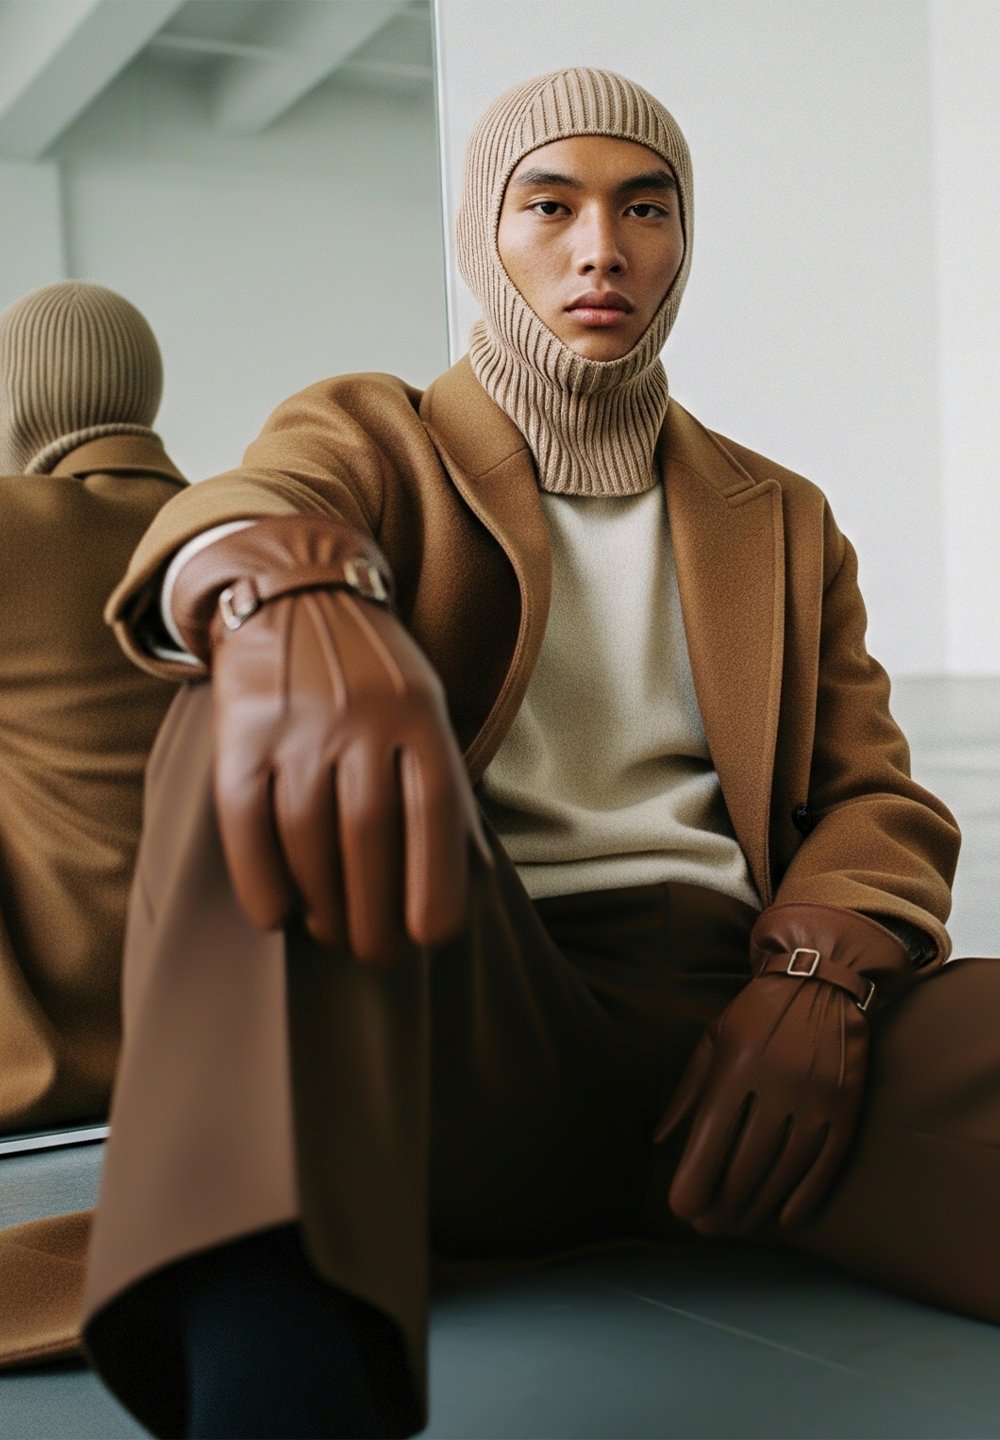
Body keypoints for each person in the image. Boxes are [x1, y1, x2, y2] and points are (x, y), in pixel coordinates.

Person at [81, 69, 997, 1439]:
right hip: (468, 1008)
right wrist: (287, 590)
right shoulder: (377, 433)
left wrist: (821, 970)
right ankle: (272, 1369)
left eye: (646, 209)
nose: (600, 250)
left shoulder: (781, 514)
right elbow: (253, 498)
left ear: (683, 241)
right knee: (244, 712)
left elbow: (872, 790)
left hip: (735, 1039)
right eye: (550, 206)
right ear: (484, 236)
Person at [0, 281, 186, 1367]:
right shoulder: (232, 527)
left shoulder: (12, 527)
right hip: (238, 1005)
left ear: (21, 402)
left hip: (68, 1033)